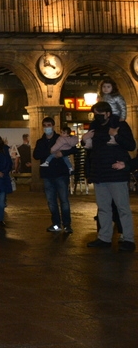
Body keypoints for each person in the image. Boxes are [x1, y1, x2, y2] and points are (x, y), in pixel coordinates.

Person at [83, 102, 136, 251]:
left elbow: (131, 145)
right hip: (99, 173)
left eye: (100, 114)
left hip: (116, 173)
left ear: (108, 113)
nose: (97, 116)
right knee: (103, 208)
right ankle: (104, 237)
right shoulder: (95, 126)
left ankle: (128, 239)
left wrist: (116, 136)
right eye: (95, 114)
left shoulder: (120, 125)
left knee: (122, 208)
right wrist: (84, 139)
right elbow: (90, 148)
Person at [34, 117, 77, 233]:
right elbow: (36, 155)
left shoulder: (61, 138)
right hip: (47, 174)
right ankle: (56, 224)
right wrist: (49, 152)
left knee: (64, 200)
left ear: (53, 126)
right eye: (45, 125)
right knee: (51, 201)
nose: (47, 127)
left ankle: (67, 225)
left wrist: (62, 153)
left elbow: (74, 149)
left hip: (61, 173)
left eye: (49, 125)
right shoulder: (40, 141)